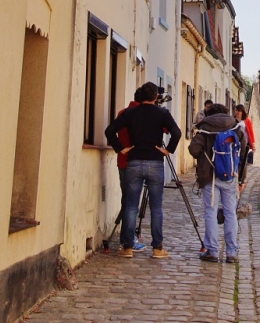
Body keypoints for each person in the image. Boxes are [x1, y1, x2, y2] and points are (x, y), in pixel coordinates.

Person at [105, 81, 181, 259]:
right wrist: (168, 150)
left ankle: (128, 247)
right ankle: (157, 248)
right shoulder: (162, 113)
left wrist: (120, 148)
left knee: (131, 206)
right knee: (156, 207)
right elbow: (176, 132)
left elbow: (110, 130)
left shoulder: (130, 113)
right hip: (155, 162)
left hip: (134, 161)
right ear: (156, 96)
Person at [189, 103, 246, 264]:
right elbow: (243, 153)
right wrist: (241, 179)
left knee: (210, 212)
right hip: (230, 176)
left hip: (209, 177)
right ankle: (231, 252)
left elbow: (193, 150)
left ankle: (212, 252)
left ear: (209, 114)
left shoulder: (204, 128)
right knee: (230, 213)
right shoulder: (236, 128)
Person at [111, 87, 147, 252]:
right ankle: (128, 240)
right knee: (132, 203)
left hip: (123, 162)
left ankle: (126, 238)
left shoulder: (122, 113)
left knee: (127, 200)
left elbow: (112, 132)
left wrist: (120, 148)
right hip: (137, 163)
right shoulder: (141, 115)